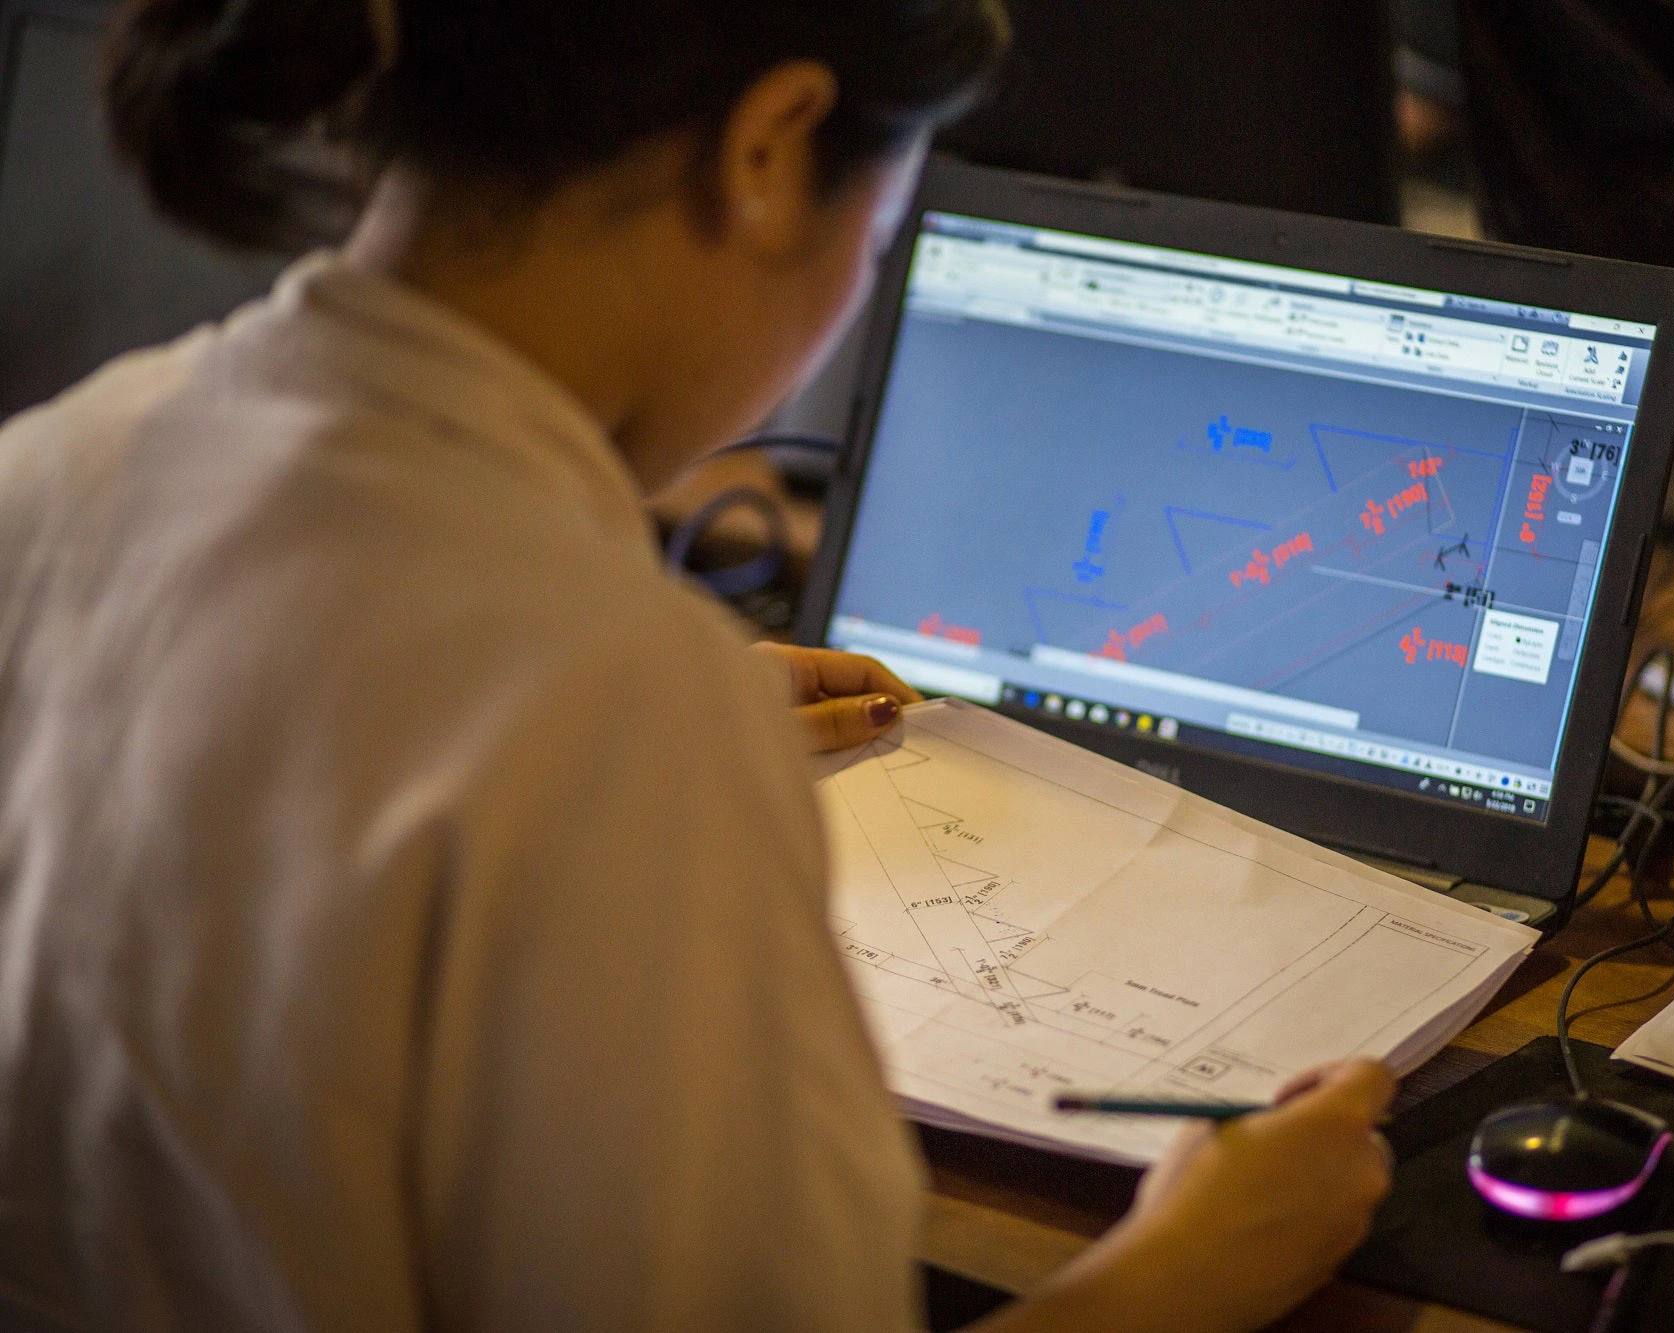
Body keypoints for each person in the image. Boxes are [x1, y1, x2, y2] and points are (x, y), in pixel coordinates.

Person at [0, 2, 1396, 1329]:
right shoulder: (607, 708)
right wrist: (1183, 1277)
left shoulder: (52, 468)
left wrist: (631, 733)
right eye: (885, 224)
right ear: (771, 147)